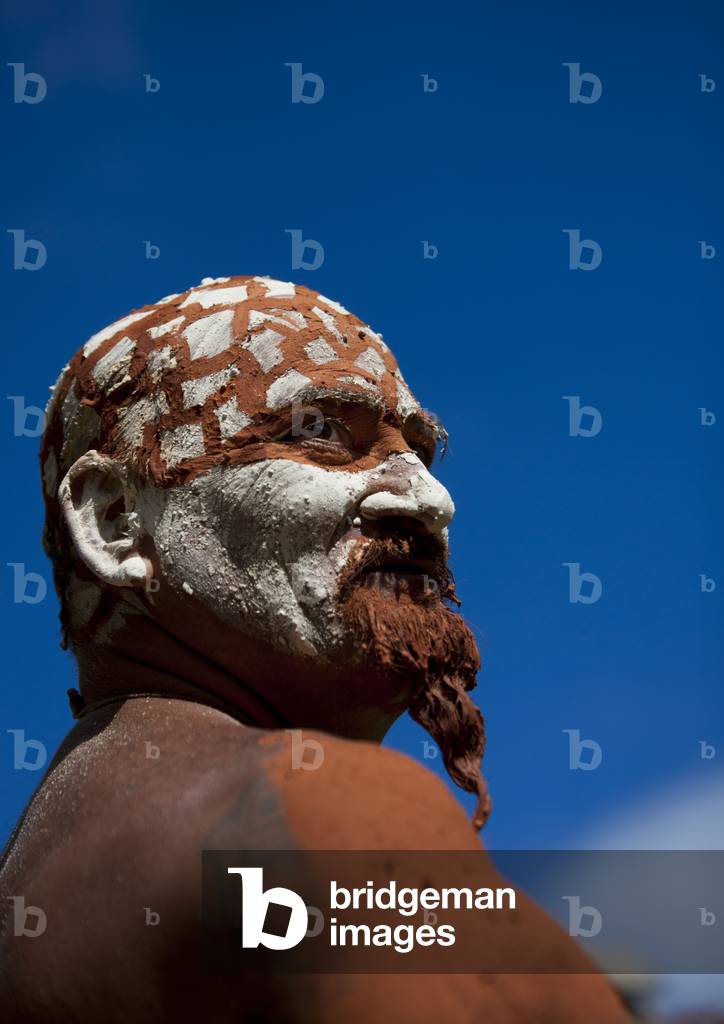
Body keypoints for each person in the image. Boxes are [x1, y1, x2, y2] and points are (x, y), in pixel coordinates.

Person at [0, 275, 629, 1021]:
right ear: (114, 521)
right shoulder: (321, 806)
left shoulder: (38, 894)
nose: (429, 500)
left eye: (421, 454)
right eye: (321, 432)